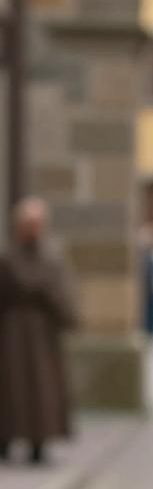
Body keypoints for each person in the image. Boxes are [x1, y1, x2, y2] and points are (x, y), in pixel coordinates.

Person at [0, 197, 78, 465]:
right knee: (11, 387)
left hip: (41, 334)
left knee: (40, 387)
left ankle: (38, 441)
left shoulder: (51, 258)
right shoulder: (8, 257)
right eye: (27, 224)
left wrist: (65, 313)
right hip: (11, 334)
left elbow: (63, 293)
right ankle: (6, 437)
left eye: (36, 224)